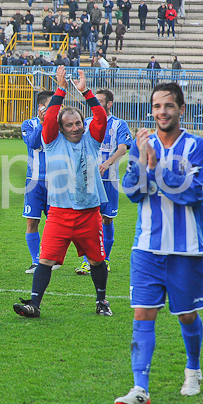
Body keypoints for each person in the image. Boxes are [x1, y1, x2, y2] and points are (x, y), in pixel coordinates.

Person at [115, 82, 203, 404]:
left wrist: (156, 167)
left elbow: (193, 192)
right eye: (156, 106)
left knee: (186, 315)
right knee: (143, 313)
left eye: (168, 106)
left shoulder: (197, 146)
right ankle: (140, 387)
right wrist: (141, 162)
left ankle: (193, 370)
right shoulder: (145, 145)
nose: (162, 112)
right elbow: (131, 192)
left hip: (184, 248)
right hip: (146, 247)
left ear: (181, 109)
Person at [13, 66, 111, 318]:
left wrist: (86, 92)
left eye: (78, 122)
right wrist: (61, 89)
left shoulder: (92, 139)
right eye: (69, 125)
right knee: (45, 260)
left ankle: (102, 301)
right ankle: (34, 305)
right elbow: (52, 115)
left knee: (97, 261)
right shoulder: (52, 141)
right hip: (59, 213)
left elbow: (100, 118)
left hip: (89, 212)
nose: (76, 127)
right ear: (60, 127)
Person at [75, 89, 132, 275]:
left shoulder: (119, 124)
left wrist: (107, 163)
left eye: (99, 101)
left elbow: (123, 148)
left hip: (110, 180)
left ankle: (105, 259)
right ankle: (87, 261)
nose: (95, 105)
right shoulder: (87, 123)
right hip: (89, 181)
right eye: (93, 101)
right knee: (89, 220)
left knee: (106, 220)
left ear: (109, 104)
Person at [21, 90, 54, 273]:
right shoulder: (28, 124)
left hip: (56, 181)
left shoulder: (59, 124)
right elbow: (33, 143)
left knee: (55, 222)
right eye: (52, 103)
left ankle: (52, 257)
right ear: (41, 106)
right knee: (32, 222)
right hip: (34, 182)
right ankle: (36, 261)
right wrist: (42, 123)